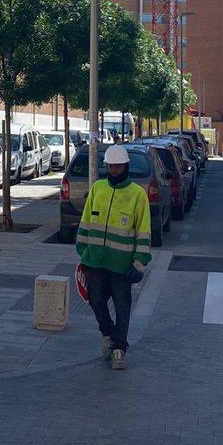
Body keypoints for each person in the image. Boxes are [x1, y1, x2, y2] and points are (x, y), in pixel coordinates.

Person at [75, 144, 151, 370]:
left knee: (122, 307)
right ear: (107, 167)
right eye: (112, 166)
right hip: (96, 261)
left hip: (122, 264)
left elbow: (144, 230)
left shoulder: (138, 194)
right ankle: (107, 333)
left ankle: (119, 349)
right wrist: (83, 252)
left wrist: (139, 261)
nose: (115, 170)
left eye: (119, 166)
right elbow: (86, 220)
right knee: (96, 301)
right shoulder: (98, 189)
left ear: (126, 166)